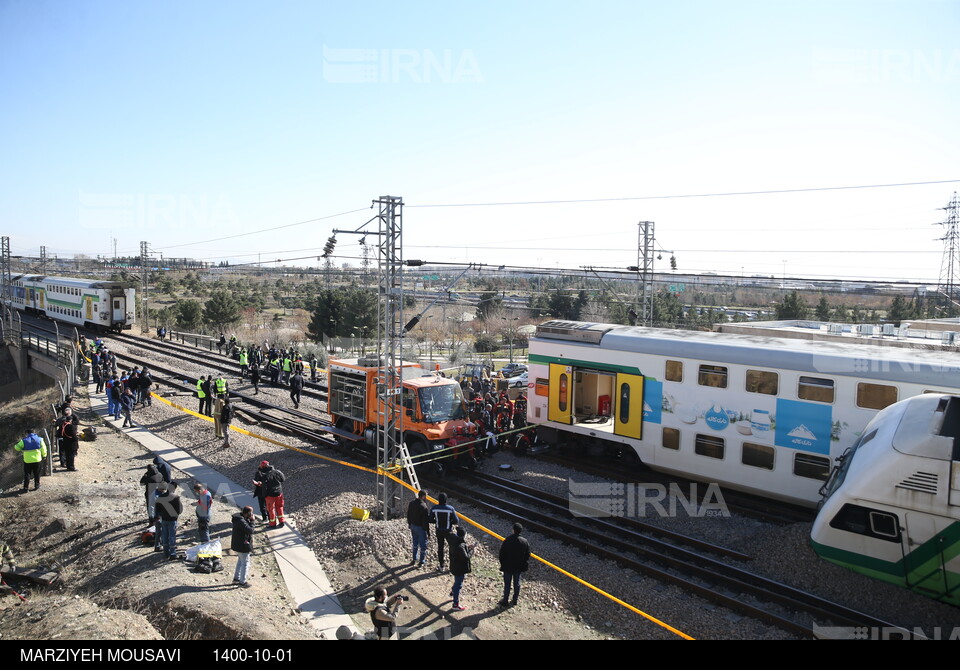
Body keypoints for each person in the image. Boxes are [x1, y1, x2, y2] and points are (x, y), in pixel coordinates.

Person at [498, 522, 531, 607]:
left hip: (508, 566)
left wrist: (503, 563)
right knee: (517, 583)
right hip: (518, 567)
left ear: (513, 530)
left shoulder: (507, 540)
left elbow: (502, 554)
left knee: (507, 584)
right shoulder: (525, 541)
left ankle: (505, 600)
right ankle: (515, 600)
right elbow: (528, 555)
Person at [429, 492, 459, 572]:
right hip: (448, 531)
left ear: (438, 499)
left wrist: (437, 521)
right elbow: (456, 521)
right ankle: (452, 565)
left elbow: (430, 519)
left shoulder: (434, 508)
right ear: (446, 500)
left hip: (439, 530)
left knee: (440, 548)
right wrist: (449, 522)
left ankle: (442, 565)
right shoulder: (450, 508)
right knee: (452, 547)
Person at [154, 481, 183, 560]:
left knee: (165, 535)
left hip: (164, 519)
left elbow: (157, 509)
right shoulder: (176, 497)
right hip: (172, 519)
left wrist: (159, 516)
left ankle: (166, 553)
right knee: (172, 536)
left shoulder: (161, 497)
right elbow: (179, 510)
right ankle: (173, 553)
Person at [447, 526, 473, 611]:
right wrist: (471, 551)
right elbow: (465, 558)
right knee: (459, 584)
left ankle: (453, 592)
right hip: (460, 568)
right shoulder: (461, 545)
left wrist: (467, 548)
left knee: (457, 581)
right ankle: (455, 604)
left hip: (454, 566)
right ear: (463, 536)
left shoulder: (453, 541)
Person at [254, 462, 286, 528]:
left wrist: (261, 486)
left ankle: (272, 524)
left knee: (271, 510)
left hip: (270, 495)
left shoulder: (265, 475)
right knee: (280, 507)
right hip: (279, 493)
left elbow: (264, 487)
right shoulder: (277, 472)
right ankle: (282, 521)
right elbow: (283, 479)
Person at [231, 505, 255, 587]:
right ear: (248, 513)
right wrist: (252, 522)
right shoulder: (242, 522)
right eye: (251, 513)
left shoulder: (238, 519)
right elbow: (250, 530)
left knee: (240, 561)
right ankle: (242, 581)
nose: (252, 514)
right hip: (243, 545)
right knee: (245, 563)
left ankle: (236, 578)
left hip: (237, 544)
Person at [406, 490, 430, 567]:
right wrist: (428, 531)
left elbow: (408, 514)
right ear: (423, 496)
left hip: (413, 526)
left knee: (415, 543)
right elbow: (425, 521)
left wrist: (410, 524)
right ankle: (421, 561)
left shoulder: (412, 503)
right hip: (420, 528)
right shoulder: (424, 506)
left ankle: (414, 559)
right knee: (423, 545)